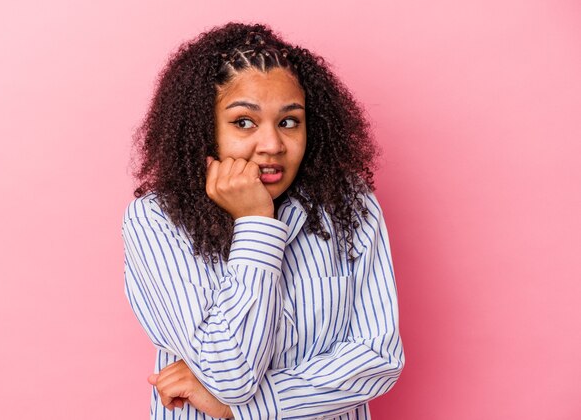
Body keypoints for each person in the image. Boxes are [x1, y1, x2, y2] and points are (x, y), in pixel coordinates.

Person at [122, 22, 404, 419]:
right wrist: (256, 221)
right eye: (244, 122)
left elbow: (378, 357)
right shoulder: (157, 219)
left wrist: (238, 409)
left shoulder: (350, 206)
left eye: (289, 122)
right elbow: (230, 373)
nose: (272, 145)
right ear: (204, 130)